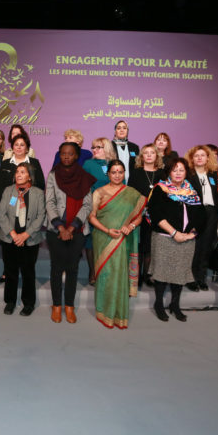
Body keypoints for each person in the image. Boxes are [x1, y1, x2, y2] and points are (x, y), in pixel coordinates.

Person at [147, 158, 206, 322]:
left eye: (181, 170)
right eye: (175, 170)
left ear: (186, 172)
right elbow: (155, 214)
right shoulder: (161, 189)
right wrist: (174, 233)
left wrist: (191, 234)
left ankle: (175, 305)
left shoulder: (192, 191)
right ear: (169, 173)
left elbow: (201, 215)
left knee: (180, 273)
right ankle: (158, 304)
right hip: (165, 238)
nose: (178, 173)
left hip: (188, 239)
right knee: (162, 273)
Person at [89, 160, 145, 329]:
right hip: (103, 237)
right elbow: (92, 216)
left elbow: (139, 216)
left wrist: (131, 226)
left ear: (124, 173)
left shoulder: (133, 193)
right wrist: (107, 230)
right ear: (108, 174)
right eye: (114, 172)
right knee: (105, 275)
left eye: (120, 172)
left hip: (123, 239)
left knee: (120, 274)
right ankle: (103, 311)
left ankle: (119, 315)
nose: (117, 175)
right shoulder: (99, 192)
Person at [46, 143, 95, 323]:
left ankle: (70, 306)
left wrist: (72, 227)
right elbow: (49, 202)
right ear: (60, 155)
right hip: (55, 230)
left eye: (70, 154)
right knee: (57, 268)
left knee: (73, 269)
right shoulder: (52, 175)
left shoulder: (84, 177)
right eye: (63, 153)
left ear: (76, 156)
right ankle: (57, 305)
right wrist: (61, 227)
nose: (66, 156)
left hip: (78, 229)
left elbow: (87, 205)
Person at [0, 162, 45, 316]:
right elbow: (1, 214)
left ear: (30, 176)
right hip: (10, 238)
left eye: (23, 172)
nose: (18, 174)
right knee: (10, 271)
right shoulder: (8, 191)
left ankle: (28, 303)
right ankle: (10, 302)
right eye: (17, 172)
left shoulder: (38, 193)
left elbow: (40, 217)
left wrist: (25, 235)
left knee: (28, 272)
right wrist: (13, 234)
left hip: (29, 239)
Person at [128, 143, 165, 288]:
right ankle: (136, 276)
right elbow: (130, 194)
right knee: (139, 246)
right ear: (141, 156)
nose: (149, 155)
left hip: (156, 216)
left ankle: (147, 275)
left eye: (152, 153)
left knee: (151, 247)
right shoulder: (136, 172)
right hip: (138, 215)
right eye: (146, 153)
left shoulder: (162, 173)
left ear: (157, 156)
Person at [185, 145, 218, 291]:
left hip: (211, 212)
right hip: (196, 213)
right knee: (194, 246)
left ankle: (201, 277)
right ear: (192, 159)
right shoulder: (189, 175)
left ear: (208, 158)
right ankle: (191, 278)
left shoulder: (212, 175)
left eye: (202, 155)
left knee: (206, 246)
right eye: (196, 155)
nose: (199, 158)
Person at [82, 137, 117, 285]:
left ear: (107, 149)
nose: (94, 150)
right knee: (91, 241)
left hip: (111, 209)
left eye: (98, 147)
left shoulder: (114, 164)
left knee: (108, 240)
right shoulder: (88, 164)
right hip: (93, 208)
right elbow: (83, 186)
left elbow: (121, 186)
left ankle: (106, 271)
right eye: (93, 147)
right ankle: (93, 272)